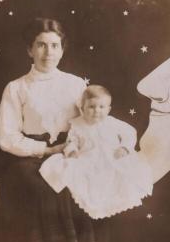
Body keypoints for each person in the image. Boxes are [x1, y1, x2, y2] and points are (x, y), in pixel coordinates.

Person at [0, 18, 109, 242]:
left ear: (62, 49)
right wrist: (45, 149)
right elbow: (7, 137)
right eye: (41, 45)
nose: (49, 52)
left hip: (69, 151)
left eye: (55, 45)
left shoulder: (75, 84)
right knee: (39, 187)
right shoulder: (16, 88)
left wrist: (78, 147)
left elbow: (92, 118)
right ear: (29, 50)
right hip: (28, 157)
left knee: (86, 184)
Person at [40, 85, 153, 219]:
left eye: (101, 107)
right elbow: (71, 142)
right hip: (88, 159)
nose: (96, 111)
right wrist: (72, 151)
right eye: (91, 107)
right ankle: (97, 204)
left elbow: (130, 133)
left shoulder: (112, 122)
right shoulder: (77, 125)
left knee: (121, 174)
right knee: (82, 175)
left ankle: (114, 201)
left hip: (112, 157)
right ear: (82, 108)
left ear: (108, 109)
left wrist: (124, 147)